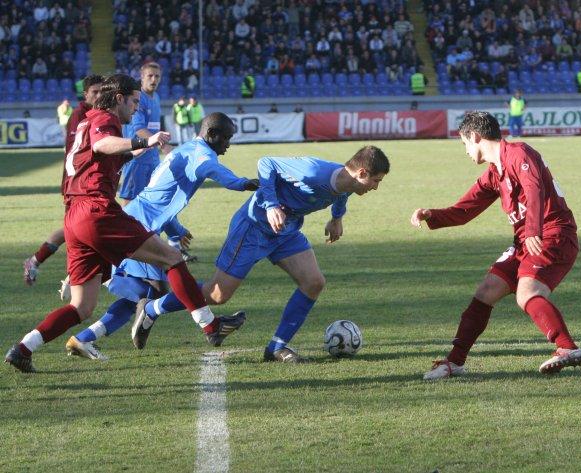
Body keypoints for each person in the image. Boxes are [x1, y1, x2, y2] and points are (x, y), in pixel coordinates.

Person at [4, 74, 228, 373]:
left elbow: (108, 152)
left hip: (75, 216)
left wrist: (140, 148)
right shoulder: (104, 119)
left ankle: (23, 348)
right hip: (97, 211)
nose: (137, 107)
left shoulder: (88, 120)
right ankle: (210, 326)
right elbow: (103, 144)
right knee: (172, 258)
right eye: (134, 101)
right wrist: (143, 139)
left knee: (82, 307)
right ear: (119, 97)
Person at [132, 146, 390, 363]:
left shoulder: (346, 181)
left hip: (286, 231)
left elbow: (342, 193)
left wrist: (336, 218)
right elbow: (267, 163)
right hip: (254, 227)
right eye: (376, 180)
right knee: (216, 295)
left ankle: (277, 347)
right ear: (362, 173)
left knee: (314, 282)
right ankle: (153, 308)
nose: (377, 187)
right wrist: (271, 205)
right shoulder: (313, 171)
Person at [65, 112, 258, 360]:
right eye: (226, 138)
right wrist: (243, 183)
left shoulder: (185, 149)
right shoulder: (202, 154)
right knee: (163, 288)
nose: (228, 144)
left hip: (137, 217)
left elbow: (162, 193)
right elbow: (212, 170)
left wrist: (175, 228)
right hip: (137, 224)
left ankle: (83, 339)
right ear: (211, 134)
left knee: (143, 294)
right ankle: (209, 323)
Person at [410, 111, 581, 380]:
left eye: (464, 144)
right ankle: (455, 362)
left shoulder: (518, 153)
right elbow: (464, 211)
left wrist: (532, 230)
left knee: (526, 293)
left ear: (475, 136)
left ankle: (567, 348)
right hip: (527, 240)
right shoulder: (495, 173)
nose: (466, 151)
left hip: (553, 234)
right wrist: (432, 214)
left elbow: (534, 187)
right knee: (486, 291)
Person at [23, 75, 104, 289]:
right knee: (77, 230)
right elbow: (75, 154)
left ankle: (46, 264)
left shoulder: (98, 115)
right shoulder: (79, 115)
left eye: (101, 91)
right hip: (76, 186)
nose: (98, 95)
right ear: (85, 94)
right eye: (94, 92)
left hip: (90, 185)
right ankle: (68, 273)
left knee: (77, 230)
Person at [120, 62, 172, 206]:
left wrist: (162, 138)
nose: (153, 79)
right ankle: (124, 228)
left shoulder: (156, 97)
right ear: (142, 77)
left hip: (153, 157)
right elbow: (139, 129)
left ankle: (145, 229)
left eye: (157, 76)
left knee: (152, 199)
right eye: (150, 75)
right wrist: (163, 143)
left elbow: (153, 125)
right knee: (131, 200)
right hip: (137, 157)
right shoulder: (137, 98)